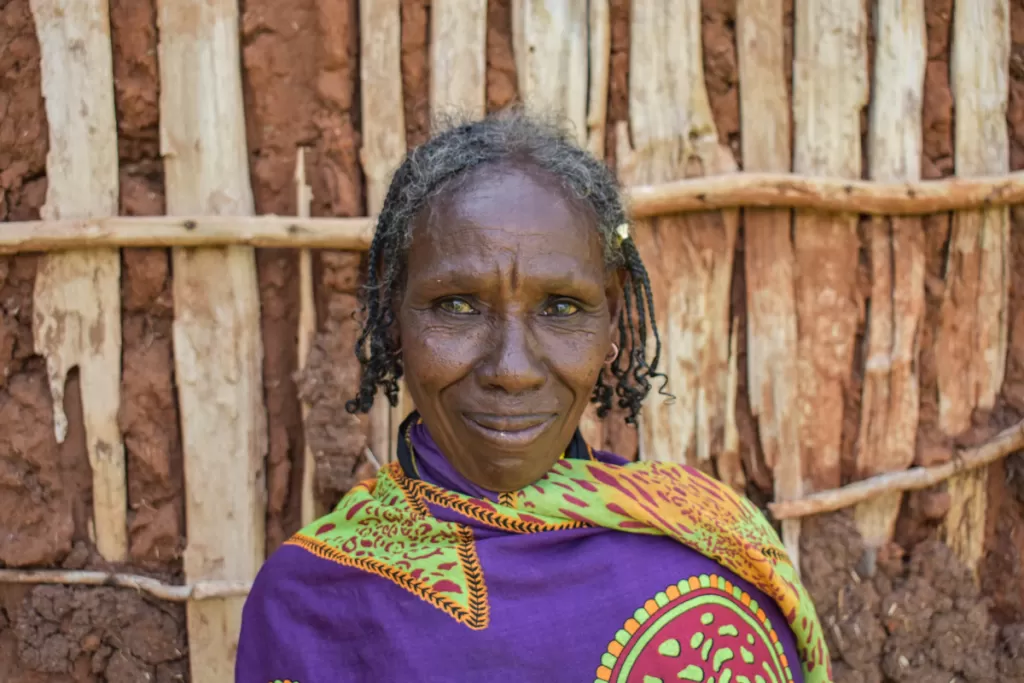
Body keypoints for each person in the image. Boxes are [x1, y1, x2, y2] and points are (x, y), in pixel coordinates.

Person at [236, 112, 832, 683]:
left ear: (612, 316)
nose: (512, 370)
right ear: (394, 316)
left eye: (562, 308)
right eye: (457, 306)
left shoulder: (712, 554)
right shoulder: (311, 599)